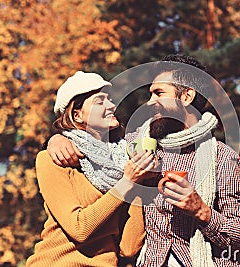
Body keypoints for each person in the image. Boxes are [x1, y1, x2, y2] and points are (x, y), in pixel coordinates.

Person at [47, 55, 240, 266]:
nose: (150, 102)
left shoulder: (223, 158)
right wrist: (57, 139)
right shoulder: (136, 143)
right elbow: (95, 144)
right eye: (150, 93)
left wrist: (201, 210)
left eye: (159, 93)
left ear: (187, 97)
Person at [26, 71, 157, 266]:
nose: (112, 106)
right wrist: (127, 183)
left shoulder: (122, 165)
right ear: (76, 115)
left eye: (110, 100)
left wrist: (140, 183)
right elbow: (79, 229)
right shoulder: (52, 159)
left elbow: (128, 247)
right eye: (100, 101)